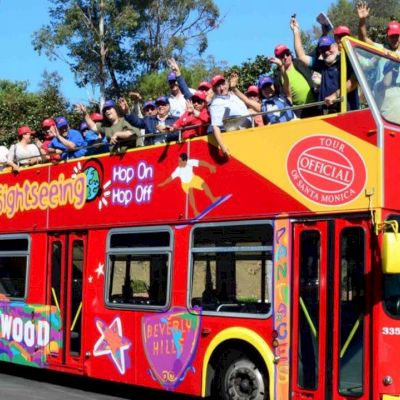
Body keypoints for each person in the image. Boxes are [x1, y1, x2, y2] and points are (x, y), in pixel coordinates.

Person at [292, 16, 359, 113]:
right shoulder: (321, 65)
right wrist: (296, 31)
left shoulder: (348, 60)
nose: (326, 52)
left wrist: (336, 95)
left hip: (346, 112)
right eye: (322, 49)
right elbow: (301, 56)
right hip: (326, 114)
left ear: (335, 46)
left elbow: (354, 82)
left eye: (328, 48)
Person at [209, 74, 251, 157]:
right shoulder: (216, 103)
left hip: (249, 132)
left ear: (227, 83)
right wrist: (222, 146)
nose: (222, 88)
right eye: (218, 86)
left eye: (223, 84)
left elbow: (247, 104)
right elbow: (215, 127)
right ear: (214, 90)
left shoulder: (233, 97)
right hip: (237, 136)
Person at [357, 1, 400, 82]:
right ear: (387, 37)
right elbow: (363, 39)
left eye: (397, 36)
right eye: (392, 36)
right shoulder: (381, 49)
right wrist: (362, 20)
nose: (394, 39)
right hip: (380, 93)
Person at [231, 74, 295, 125]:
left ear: (274, 86)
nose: (267, 89)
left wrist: (282, 67)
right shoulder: (262, 107)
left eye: (269, 85)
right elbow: (247, 100)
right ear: (261, 91)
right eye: (264, 87)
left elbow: (286, 82)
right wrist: (234, 88)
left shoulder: (285, 98)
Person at [273, 44, 317, 117]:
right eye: (281, 55)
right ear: (277, 59)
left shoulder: (300, 62)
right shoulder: (277, 77)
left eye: (287, 53)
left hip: (315, 105)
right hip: (297, 112)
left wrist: (324, 34)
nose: (285, 57)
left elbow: (317, 50)